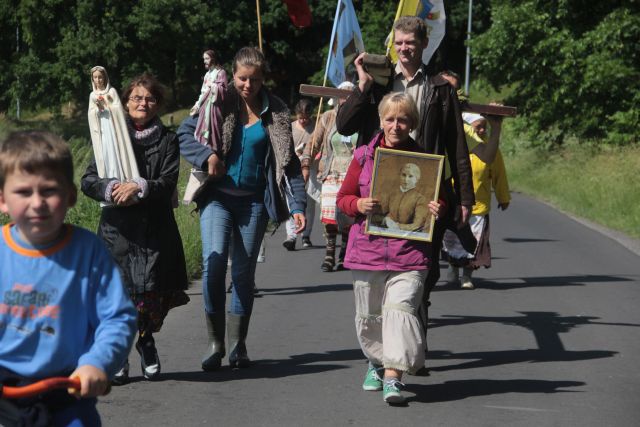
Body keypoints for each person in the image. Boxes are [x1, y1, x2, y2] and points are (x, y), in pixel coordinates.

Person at [335, 16, 476, 360]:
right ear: (392, 45)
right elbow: (344, 124)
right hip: (381, 192)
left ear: (424, 44)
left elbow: (457, 146)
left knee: (421, 276)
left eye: (410, 42)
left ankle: (412, 349)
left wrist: (466, 197)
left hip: (426, 191)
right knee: (381, 279)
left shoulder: (441, 89)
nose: (404, 48)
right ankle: (388, 356)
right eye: (398, 42)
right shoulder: (380, 82)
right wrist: (363, 85)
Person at [178, 46, 307, 371]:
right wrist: (207, 157)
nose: (247, 85)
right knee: (213, 265)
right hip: (217, 197)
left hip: (253, 202)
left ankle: (237, 345)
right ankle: (215, 343)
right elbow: (183, 132)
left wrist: (298, 205)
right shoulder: (218, 101)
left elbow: (288, 163)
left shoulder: (276, 112)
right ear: (232, 76)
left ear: (264, 79)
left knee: (242, 275)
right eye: (242, 78)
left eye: (254, 79)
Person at [0, 131, 136, 425]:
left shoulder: (87, 251)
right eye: (23, 192)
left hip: (68, 391)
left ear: (71, 196)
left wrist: (96, 363)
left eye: (49, 190)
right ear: (2, 200)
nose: (37, 203)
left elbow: (117, 318)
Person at [336, 93, 445, 404]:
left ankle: (393, 377)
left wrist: (440, 207)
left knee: (399, 312)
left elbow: (440, 200)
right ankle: (375, 363)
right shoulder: (362, 157)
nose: (396, 125)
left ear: (412, 123)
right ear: (381, 121)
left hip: (409, 255)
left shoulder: (426, 163)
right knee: (370, 316)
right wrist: (357, 203)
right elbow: (343, 199)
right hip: (367, 252)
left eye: (403, 119)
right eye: (390, 119)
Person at [81, 73, 189, 384]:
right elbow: (88, 179)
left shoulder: (169, 140)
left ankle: (145, 340)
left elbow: (168, 181)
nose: (143, 103)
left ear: (158, 103)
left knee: (151, 298)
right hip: (118, 232)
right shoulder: (108, 134)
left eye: (150, 98)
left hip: (155, 231)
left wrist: (139, 187)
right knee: (120, 297)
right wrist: (113, 188)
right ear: (125, 102)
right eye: (137, 98)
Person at [443, 112, 510, 289]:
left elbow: (499, 174)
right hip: (455, 203)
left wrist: (503, 197)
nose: (481, 130)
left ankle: (467, 275)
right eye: (477, 126)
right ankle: (452, 266)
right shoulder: (454, 146)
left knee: (475, 243)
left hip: (479, 206)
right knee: (451, 240)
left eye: (484, 127)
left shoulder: (489, 148)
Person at [301, 81, 356, 272]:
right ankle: (329, 254)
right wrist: (306, 165)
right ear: (337, 98)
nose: (346, 98)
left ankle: (344, 254)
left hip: (352, 173)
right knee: (330, 216)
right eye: (342, 95)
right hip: (331, 172)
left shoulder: (361, 119)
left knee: (348, 215)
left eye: (350, 95)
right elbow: (314, 142)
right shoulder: (328, 117)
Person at [87, 66, 140, 184]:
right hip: (102, 129)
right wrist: (98, 109)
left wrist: (109, 105)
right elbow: (91, 113)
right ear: (92, 79)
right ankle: (109, 180)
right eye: (95, 77)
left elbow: (119, 109)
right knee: (106, 151)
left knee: (116, 149)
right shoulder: (92, 95)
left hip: (113, 128)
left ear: (104, 78)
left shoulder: (112, 92)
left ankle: (122, 178)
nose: (98, 80)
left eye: (100, 77)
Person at [283, 98, 316, 250]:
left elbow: (320, 144)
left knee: (309, 203)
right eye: (300, 116)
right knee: (292, 201)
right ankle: (291, 235)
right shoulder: (290, 128)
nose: (303, 120)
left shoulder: (316, 128)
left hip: (312, 168)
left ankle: (306, 235)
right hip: (293, 170)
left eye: (306, 117)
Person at [372, 162, 429, 233]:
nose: (406, 179)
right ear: (399, 176)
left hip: (407, 237)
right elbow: (375, 215)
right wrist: (384, 220)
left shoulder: (420, 199)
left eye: (410, 176)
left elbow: (418, 225)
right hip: (385, 233)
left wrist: (397, 226)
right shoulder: (392, 193)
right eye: (403, 175)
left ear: (417, 179)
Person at [190, 49, 228, 148]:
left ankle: (215, 147)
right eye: (204, 59)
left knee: (214, 128)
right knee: (203, 127)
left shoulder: (221, 72)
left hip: (215, 107)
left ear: (213, 58)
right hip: (204, 106)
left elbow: (224, 91)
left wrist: (213, 86)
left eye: (207, 58)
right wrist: (197, 104)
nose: (204, 61)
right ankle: (204, 144)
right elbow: (203, 92)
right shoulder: (207, 75)